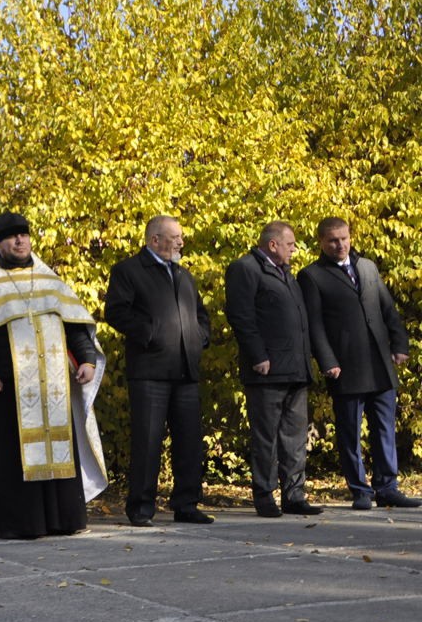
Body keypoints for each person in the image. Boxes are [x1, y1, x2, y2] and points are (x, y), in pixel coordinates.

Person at [0, 212, 108, 538]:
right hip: (6, 387)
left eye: (24, 235)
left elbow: (74, 328)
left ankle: (62, 520)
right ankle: (22, 523)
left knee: (57, 448)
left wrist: (88, 360)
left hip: (55, 387)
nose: (19, 241)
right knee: (11, 457)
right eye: (11, 236)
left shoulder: (49, 281)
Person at [297, 217, 420, 510]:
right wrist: (327, 360)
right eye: (332, 240)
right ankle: (360, 491)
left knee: (384, 430)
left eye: (344, 238)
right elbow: (314, 326)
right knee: (350, 433)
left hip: (379, 362)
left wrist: (400, 344)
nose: (340, 245)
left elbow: (387, 307)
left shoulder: (367, 266)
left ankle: (388, 488)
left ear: (350, 237)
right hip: (345, 366)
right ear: (321, 242)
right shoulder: (311, 275)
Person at [104, 215, 213, 526]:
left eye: (180, 237)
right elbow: (116, 312)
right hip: (150, 370)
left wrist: (199, 337)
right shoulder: (129, 270)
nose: (181, 242)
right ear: (155, 240)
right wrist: (151, 333)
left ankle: (187, 505)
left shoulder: (184, 275)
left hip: (186, 370)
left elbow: (201, 314)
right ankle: (140, 508)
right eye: (175, 237)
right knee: (148, 442)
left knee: (190, 442)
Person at [224, 221, 322, 517]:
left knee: (295, 437)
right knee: (266, 437)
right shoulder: (246, 268)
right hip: (266, 369)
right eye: (290, 244)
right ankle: (265, 495)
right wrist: (257, 355)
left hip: (295, 368)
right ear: (273, 245)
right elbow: (240, 315)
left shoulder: (286, 272)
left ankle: (294, 495)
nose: (295, 249)